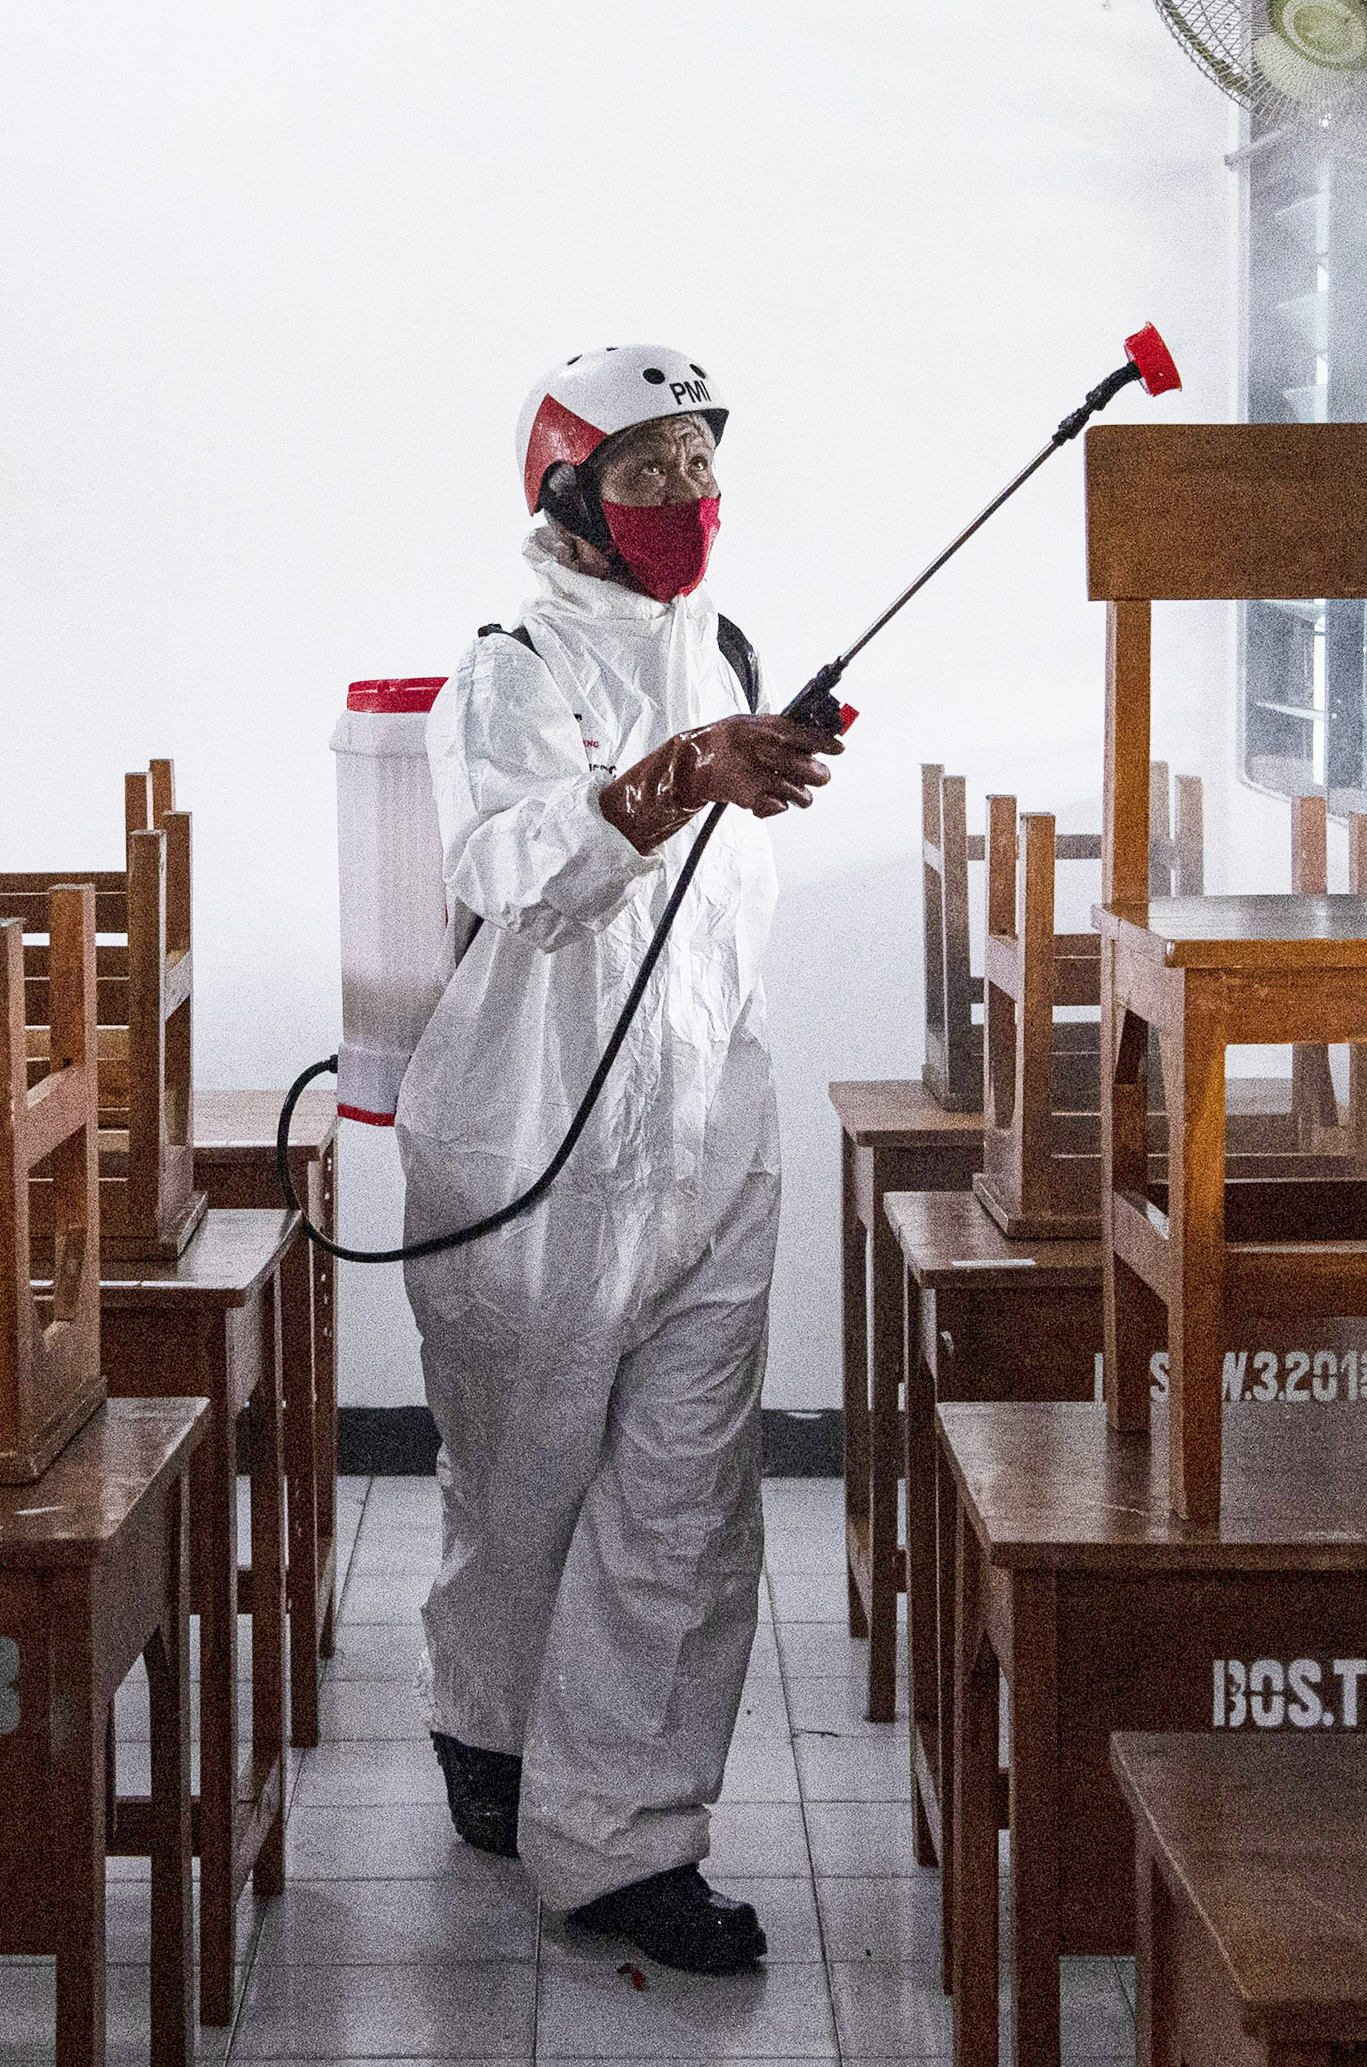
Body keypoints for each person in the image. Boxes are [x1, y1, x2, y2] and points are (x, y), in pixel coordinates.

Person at [392, 343, 843, 1975]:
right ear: (569, 491)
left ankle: (625, 1847)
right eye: (647, 469)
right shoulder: (505, 664)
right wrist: (675, 778)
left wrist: (747, 758)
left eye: (700, 463)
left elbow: (707, 892)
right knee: (526, 1484)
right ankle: (490, 1727)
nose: (687, 496)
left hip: (710, 1126)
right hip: (536, 1135)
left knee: (683, 1500)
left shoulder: (720, 641)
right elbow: (521, 866)